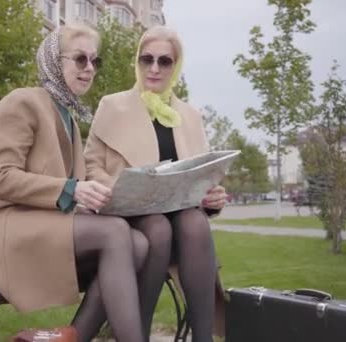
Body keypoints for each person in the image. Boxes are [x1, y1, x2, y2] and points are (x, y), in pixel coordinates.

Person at [0, 24, 147, 342]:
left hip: (39, 222)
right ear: (52, 61)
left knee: (140, 244)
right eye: (79, 59)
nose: (89, 68)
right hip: (1, 223)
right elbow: (1, 178)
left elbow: (72, 187)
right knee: (116, 233)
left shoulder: (69, 116)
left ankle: (72, 336)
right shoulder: (21, 102)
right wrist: (72, 189)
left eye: (94, 61)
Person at [84, 25, 227, 342]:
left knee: (196, 224)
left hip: (181, 220)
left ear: (175, 66)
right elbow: (91, 163)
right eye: (147, 59)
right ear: (137, 61)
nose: (154, 68)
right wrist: (112, 189)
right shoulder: (113, 105)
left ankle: (203, 339)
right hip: (128, 216)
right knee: (158, 228)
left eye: (165, 61)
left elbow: (200, 173)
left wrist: (211, 197)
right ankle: (137, 334)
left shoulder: (190, 115)